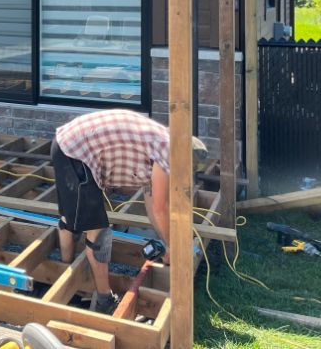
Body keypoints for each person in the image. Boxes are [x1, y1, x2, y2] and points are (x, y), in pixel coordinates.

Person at [50, 109, 208, 314]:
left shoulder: (163, 141)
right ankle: (104, 299)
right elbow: (160, 209)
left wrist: (167, 242)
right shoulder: (167, 152)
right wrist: (171, 246)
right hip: (74, 152)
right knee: (98, 234)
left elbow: (152, 203)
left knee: (71, 217)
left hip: (70, 145)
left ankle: (65, 269)